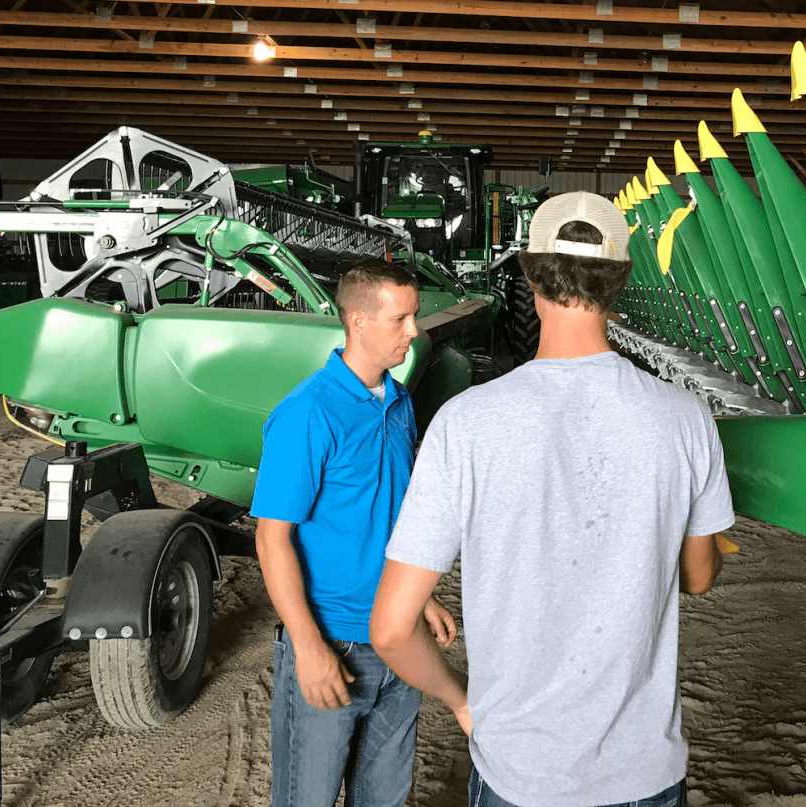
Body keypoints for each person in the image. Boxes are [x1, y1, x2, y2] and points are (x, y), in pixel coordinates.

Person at [372, 191, 734, 807]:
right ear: (620, 280)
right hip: (643, 771)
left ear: (530, 278)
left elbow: (390, 631)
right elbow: (697, 578)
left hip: (520, 772)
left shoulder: (467, 423)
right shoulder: (685, 419)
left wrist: (463, 702)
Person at [251, 259, 457, 807]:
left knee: (384, 798)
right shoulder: (308, 413)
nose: (414, 332)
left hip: (399, 638)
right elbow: (271, 539)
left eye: (414, 317)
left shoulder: (397, 401)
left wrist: (423, 595)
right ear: (359, 322)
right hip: (334, 642)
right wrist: (309, 648)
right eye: (401, 320)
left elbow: (388, 513)